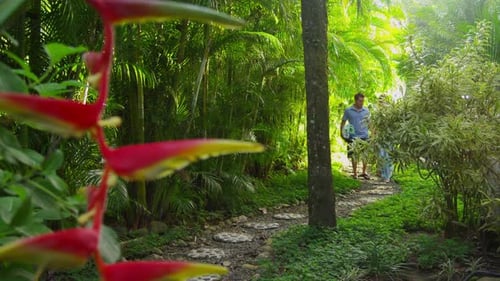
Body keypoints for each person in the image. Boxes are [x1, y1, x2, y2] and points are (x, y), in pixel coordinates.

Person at [340, 93, 370, 179]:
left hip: (364, 135)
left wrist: (373, 133)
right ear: (356, 100)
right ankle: (355, 173)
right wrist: (341, 132)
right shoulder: (348, 110)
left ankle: (364, 172)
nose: (362, 103)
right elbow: (343, 122)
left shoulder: (366, 111)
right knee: (353, 155)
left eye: (363, 101)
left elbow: (369, 123)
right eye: (360, 101)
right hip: (353, 136)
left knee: (365, 155)